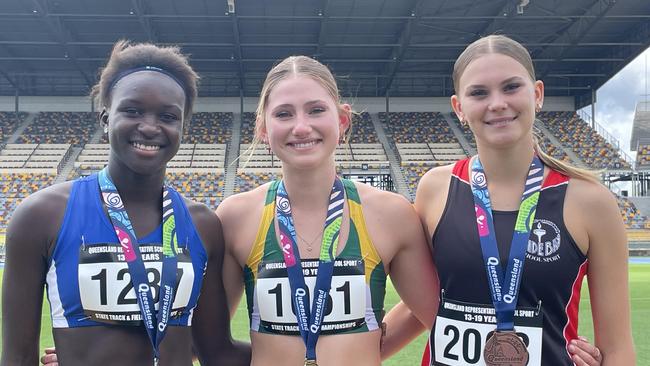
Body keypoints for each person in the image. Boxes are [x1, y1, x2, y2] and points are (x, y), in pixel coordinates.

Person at [1, 40, 249, 366]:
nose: (148, 126)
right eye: (132, 110)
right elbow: (17, 358)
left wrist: (326, 349)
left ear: (182, 128)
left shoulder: (202, 223)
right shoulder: (40, 216)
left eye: (167, 115)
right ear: (105, 118)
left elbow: (217, 352)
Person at [412, 35, 635, 365]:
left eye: (511, 87)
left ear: (538, 94)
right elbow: (424, 297)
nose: (497, 103)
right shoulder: (435, 188)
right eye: (479, 92)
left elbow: (617, 349)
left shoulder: (590, 202)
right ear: (459, 107)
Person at [216, 55, 439, 366]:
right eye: (283, 114)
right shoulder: (234, 218)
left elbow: (436, 316)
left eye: (316, 110)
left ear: (342, 119)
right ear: (263, 128)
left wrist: (364, 352)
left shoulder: (391, 214)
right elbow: (207, 340)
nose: (302, 127)